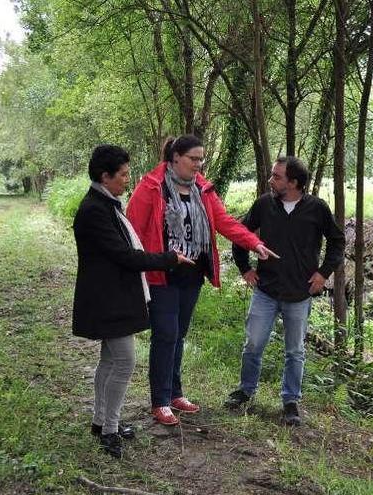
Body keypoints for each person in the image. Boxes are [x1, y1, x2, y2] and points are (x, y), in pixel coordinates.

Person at [127, 134, 278, 426]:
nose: (199, 164)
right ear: (175, 158)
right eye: (193, 159)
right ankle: (159, 401)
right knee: (166, 335)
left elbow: (225, 222)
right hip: (162, 272)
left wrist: (253, 243)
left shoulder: (202, 189)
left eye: (201, 159)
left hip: (192, 274)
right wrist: (136, 267)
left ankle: (174, 394)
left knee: (179, 335)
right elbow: (132, 229)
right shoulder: (151, 187)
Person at [72, 144, 193, 458]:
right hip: (107, 299)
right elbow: (125, 255)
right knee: (124, 362)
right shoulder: (95, 210)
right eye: (123, 174)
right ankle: (110, 430)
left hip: (112, 296)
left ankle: (101, 422)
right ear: (105, 176)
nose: (128, 179)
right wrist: (168, 258)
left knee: (110, 362)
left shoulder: (107, 203)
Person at [224, 156, 345, 426]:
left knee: (295, 351)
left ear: (294, 183)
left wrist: (323, 273)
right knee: (253, 344)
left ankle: (290, 401)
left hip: (299, 293)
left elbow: (338, 241)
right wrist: (245, 268)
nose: (271, 180)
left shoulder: (317, 208)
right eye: (272, 175)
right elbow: (241, 235)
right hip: (265, 290)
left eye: (277, 177)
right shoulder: (264, 205)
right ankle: (245, 391)